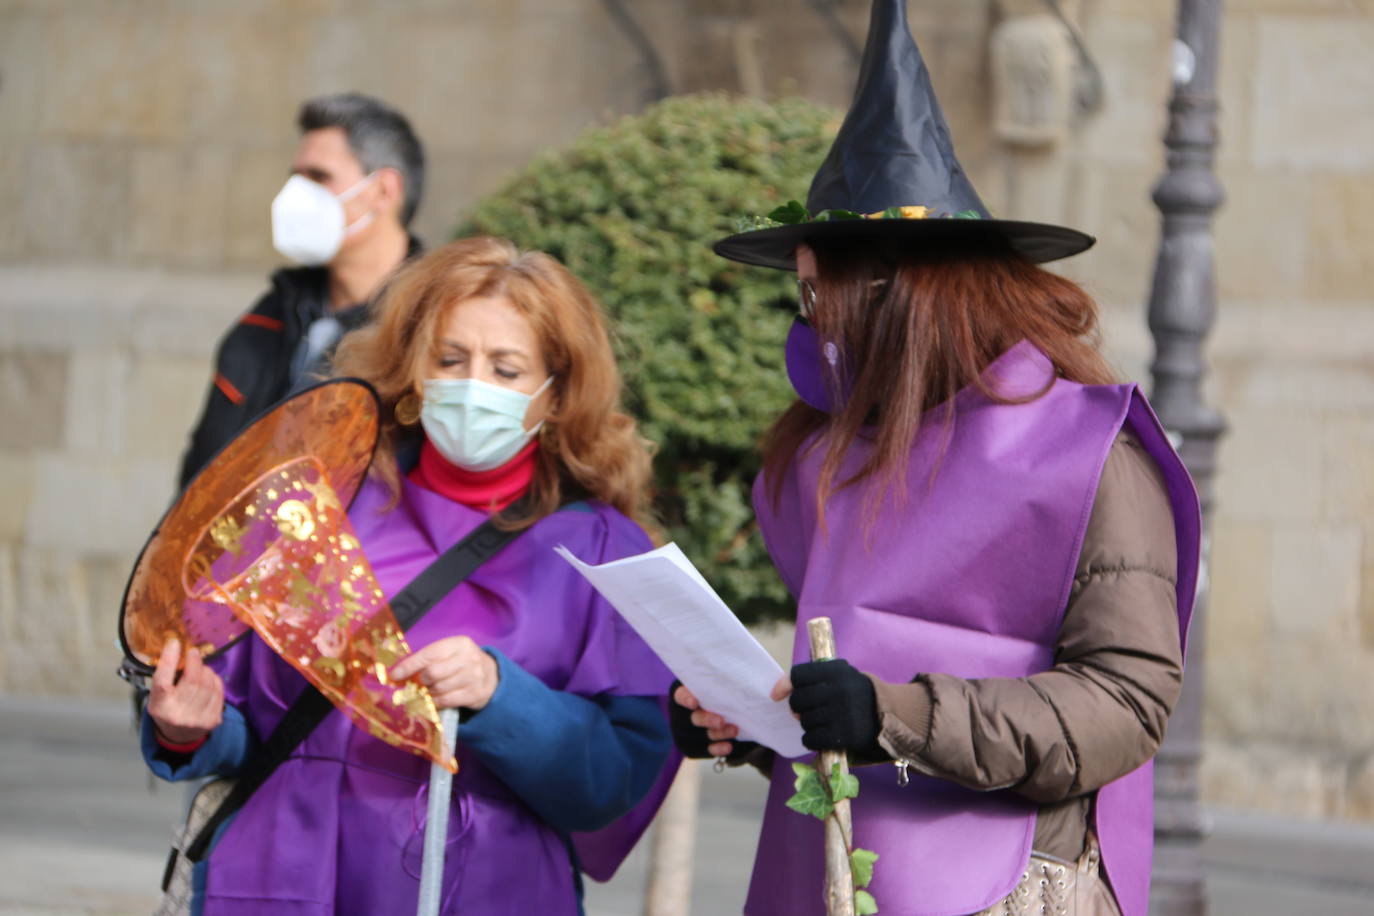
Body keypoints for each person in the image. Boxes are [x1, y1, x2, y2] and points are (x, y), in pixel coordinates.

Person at [670, 3, 1200, 916]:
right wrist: (758, 723)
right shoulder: (819, 459)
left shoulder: (1092, 454)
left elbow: (1126, 701)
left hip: (1013, 888)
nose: (811, 322)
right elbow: (845, 681)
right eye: (801, 293)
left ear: (905, 297)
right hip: (829, 871)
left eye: (821, 291)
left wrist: (892, 716)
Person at [142, 236, 676, 914]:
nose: (472, 386)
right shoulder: (315, 506)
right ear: (415, 369)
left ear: (556, 394)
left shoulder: (603, 550)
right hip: (277, 874)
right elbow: (242, 715)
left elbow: (612, 784)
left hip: (469, 886)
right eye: (450, 359)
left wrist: (500, 697)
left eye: (506, 369)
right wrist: (187, 727)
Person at [177, 92, 426, 488]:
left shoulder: (426, 328)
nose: (296, 194)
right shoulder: (271, 314)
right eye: (295, 176)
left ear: (383, 191)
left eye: (319, 176)